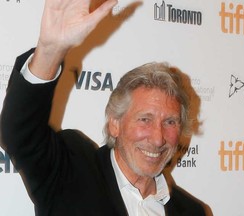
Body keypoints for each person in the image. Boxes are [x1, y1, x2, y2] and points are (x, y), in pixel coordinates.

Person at [0, 0, 211, 215]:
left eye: (170, 122)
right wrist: (50, 50)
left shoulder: (192, 212)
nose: (158, 138)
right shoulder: (71, 171)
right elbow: (19, 134)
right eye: (144, 119)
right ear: (115, 124)